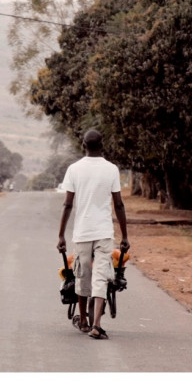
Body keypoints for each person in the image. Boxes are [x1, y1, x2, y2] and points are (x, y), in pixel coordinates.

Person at [57, 129, 130, 340]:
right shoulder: (112, 170)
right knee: (101, 276)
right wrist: (124, 236)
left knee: (82, 275)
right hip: (104, 231)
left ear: (83, 145)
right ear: (102, 144)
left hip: (82, 232)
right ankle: (97, 324)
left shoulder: (74, 169)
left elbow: (68, 204)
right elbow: (118, 204)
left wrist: (61, 235)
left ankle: (83, 321)